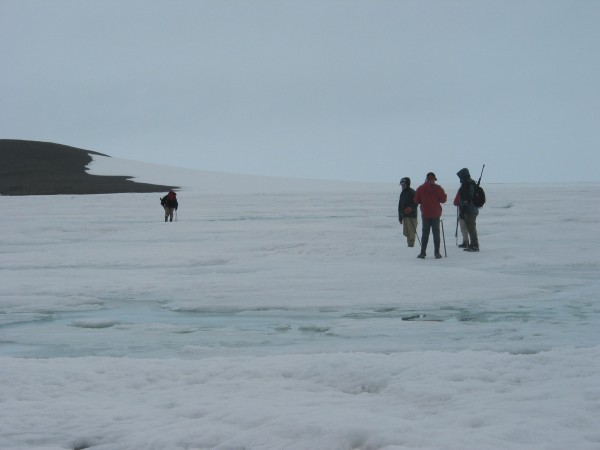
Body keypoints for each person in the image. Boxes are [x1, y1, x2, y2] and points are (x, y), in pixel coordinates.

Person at [413, 172, 447, 259]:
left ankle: (423, 253)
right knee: (436, 234)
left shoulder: (420, 188)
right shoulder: (438, 188)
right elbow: (443, 200)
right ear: (433, 179)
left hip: (425, 213)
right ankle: (437, 253)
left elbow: (416, 200)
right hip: (435, 213)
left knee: (425, 234)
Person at [456, 168, 479, 252]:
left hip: (469, 209)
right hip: (473, 209)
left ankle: (474, 245)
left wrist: (463, 209)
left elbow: (467, 198)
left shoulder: (467, 184)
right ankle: (472, 244)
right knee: (470, 227)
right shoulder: (471, 183)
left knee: (471, 227)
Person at [398, 177, 418, 247]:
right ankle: (409, 245)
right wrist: (400, 217)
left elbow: (416, 202)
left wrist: (410, 208)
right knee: (406, 232)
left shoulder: (412, 192)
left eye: (404, 184)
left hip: (411, 216)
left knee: (411, 232)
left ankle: (411, 245)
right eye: (401, 185)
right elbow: (400, 205)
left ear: (407, 184)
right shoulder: (402, 193)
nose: (402, 186)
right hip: (404, 216)